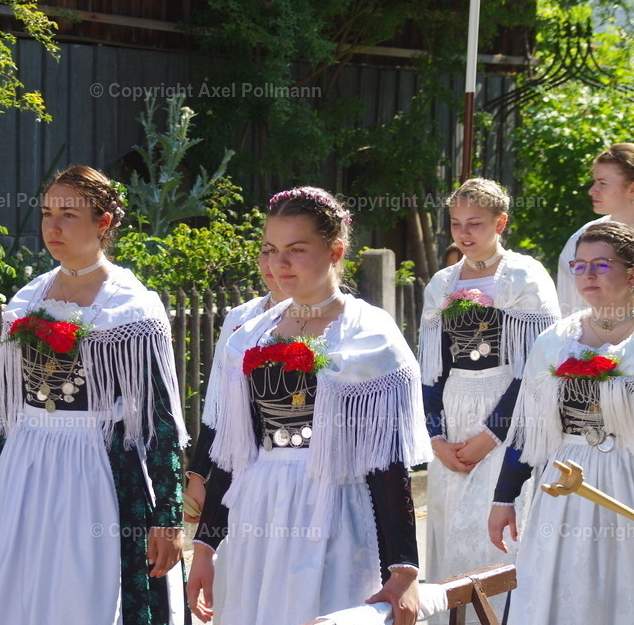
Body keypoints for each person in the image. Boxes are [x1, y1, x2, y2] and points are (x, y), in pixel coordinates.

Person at [186, 186, 431, 625]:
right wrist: (205, 547)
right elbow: (233, 453)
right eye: (270, 249)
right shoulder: (250, 335)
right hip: (257, 513)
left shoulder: (370, 337)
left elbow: (388, 463)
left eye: (297, 250)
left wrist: (404, 570)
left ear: (335, 250)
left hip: (335, 512)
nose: (280, 264)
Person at [0, 166, 189, 625]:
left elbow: (158, 421)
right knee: (22, 595)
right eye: (48, 212)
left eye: (69, 214)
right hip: (27, 468)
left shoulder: (131, 307)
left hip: (95, 470)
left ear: (103, 223)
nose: (53, 226)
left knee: (84, 595)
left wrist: (168, 517)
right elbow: (7, 408)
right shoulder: (28, 299)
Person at [419, 178, 559, 622]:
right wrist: (435, 437)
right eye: (456, 224)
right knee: (449, 529)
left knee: (492, 532)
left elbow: (535, 370)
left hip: (505, 413)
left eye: (475, 223)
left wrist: (490, 434)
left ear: (501, 222)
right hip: (454, 410)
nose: (464, 233)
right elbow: (431, 369)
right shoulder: (442, 282)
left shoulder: (524, 277)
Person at [489, 221, 634, 624]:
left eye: (601, 266)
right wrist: (504, 498)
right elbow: (528, 428)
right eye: (579, 265)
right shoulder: (554, 340)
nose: (587, 275)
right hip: (564, 482)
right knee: (562, 587)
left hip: (627, 477)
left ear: (631, 273)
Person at [183, 251, 285, 526]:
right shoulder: (241, 316)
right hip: (241, 464)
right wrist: (198, 476)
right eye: (267, 252)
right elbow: (218, 399)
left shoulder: (328, 320)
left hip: (299, 466)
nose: (273, 263)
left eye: (294, 251)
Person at [557, 143, 634, 318]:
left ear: (632, 188)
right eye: (594, 182)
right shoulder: (582, 240)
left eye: (602, 183)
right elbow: (570, 314)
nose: (592, 191)